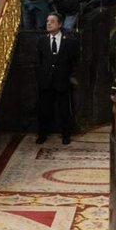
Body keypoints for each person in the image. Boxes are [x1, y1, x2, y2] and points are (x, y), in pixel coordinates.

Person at [36, 12, 79, 145]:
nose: (48, 23)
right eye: (47, 21)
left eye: (52, 21)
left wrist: (70, 76)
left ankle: (66, 135)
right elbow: (38, 62)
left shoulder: (70, 41)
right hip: (46, 82)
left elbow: (75, 60)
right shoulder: (41, 41)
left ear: (59, 24)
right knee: (44, 110)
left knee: (64, 110)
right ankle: (42, 134)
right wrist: (40, 77)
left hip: (62, 81)